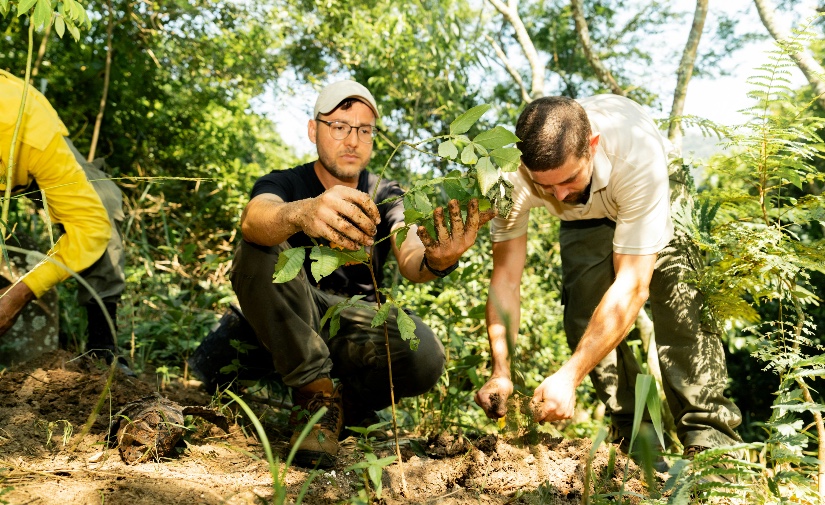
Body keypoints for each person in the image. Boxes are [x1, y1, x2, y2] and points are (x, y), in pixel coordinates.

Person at [231, 79, 491, 468]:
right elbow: (255, 218)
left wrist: (437, 258)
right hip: (286, 316)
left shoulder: (387, 192)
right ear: (312, 129)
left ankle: (345, 409)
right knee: (255, 246)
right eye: (339, 126)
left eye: (364, 130)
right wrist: (302, 212)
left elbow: (410, 252)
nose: (352, 140)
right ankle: (314, 400)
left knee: (425, 354)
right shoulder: (286, 182)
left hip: (352, 327)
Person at [474, 95, 742, 458]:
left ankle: (711, 445)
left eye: (568, 179)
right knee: (585, 313)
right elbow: (505, 278)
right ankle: (641, 442)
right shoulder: (509, 179)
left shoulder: (635, 156)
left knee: (680, 307)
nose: (559, 195)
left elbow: (632, 287)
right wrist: (501, 369)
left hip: (649, 184)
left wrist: (569, 377)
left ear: (592, 147)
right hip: (583, 219)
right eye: (545, 187)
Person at [0, 70, 130, 374]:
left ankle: (102, 347)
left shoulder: (29, 130)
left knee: (103, 203)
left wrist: (21, 293)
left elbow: (89, 227)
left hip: (24, 158)